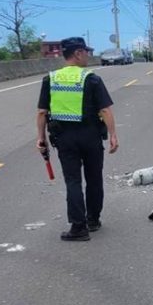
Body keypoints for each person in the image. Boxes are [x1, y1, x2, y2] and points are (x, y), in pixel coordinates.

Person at [35, 37, 119, 241]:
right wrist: (113, 135)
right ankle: (93, 219)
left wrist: (41, 138)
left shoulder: (51, 79)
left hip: (64, 137)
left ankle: (78, 227)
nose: (88, 56)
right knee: (94, 178)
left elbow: (42, 112)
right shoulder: (91, 79)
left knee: (73, 181)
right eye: (86, 52)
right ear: (78, 53)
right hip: (90, 135)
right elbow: (105, 110)